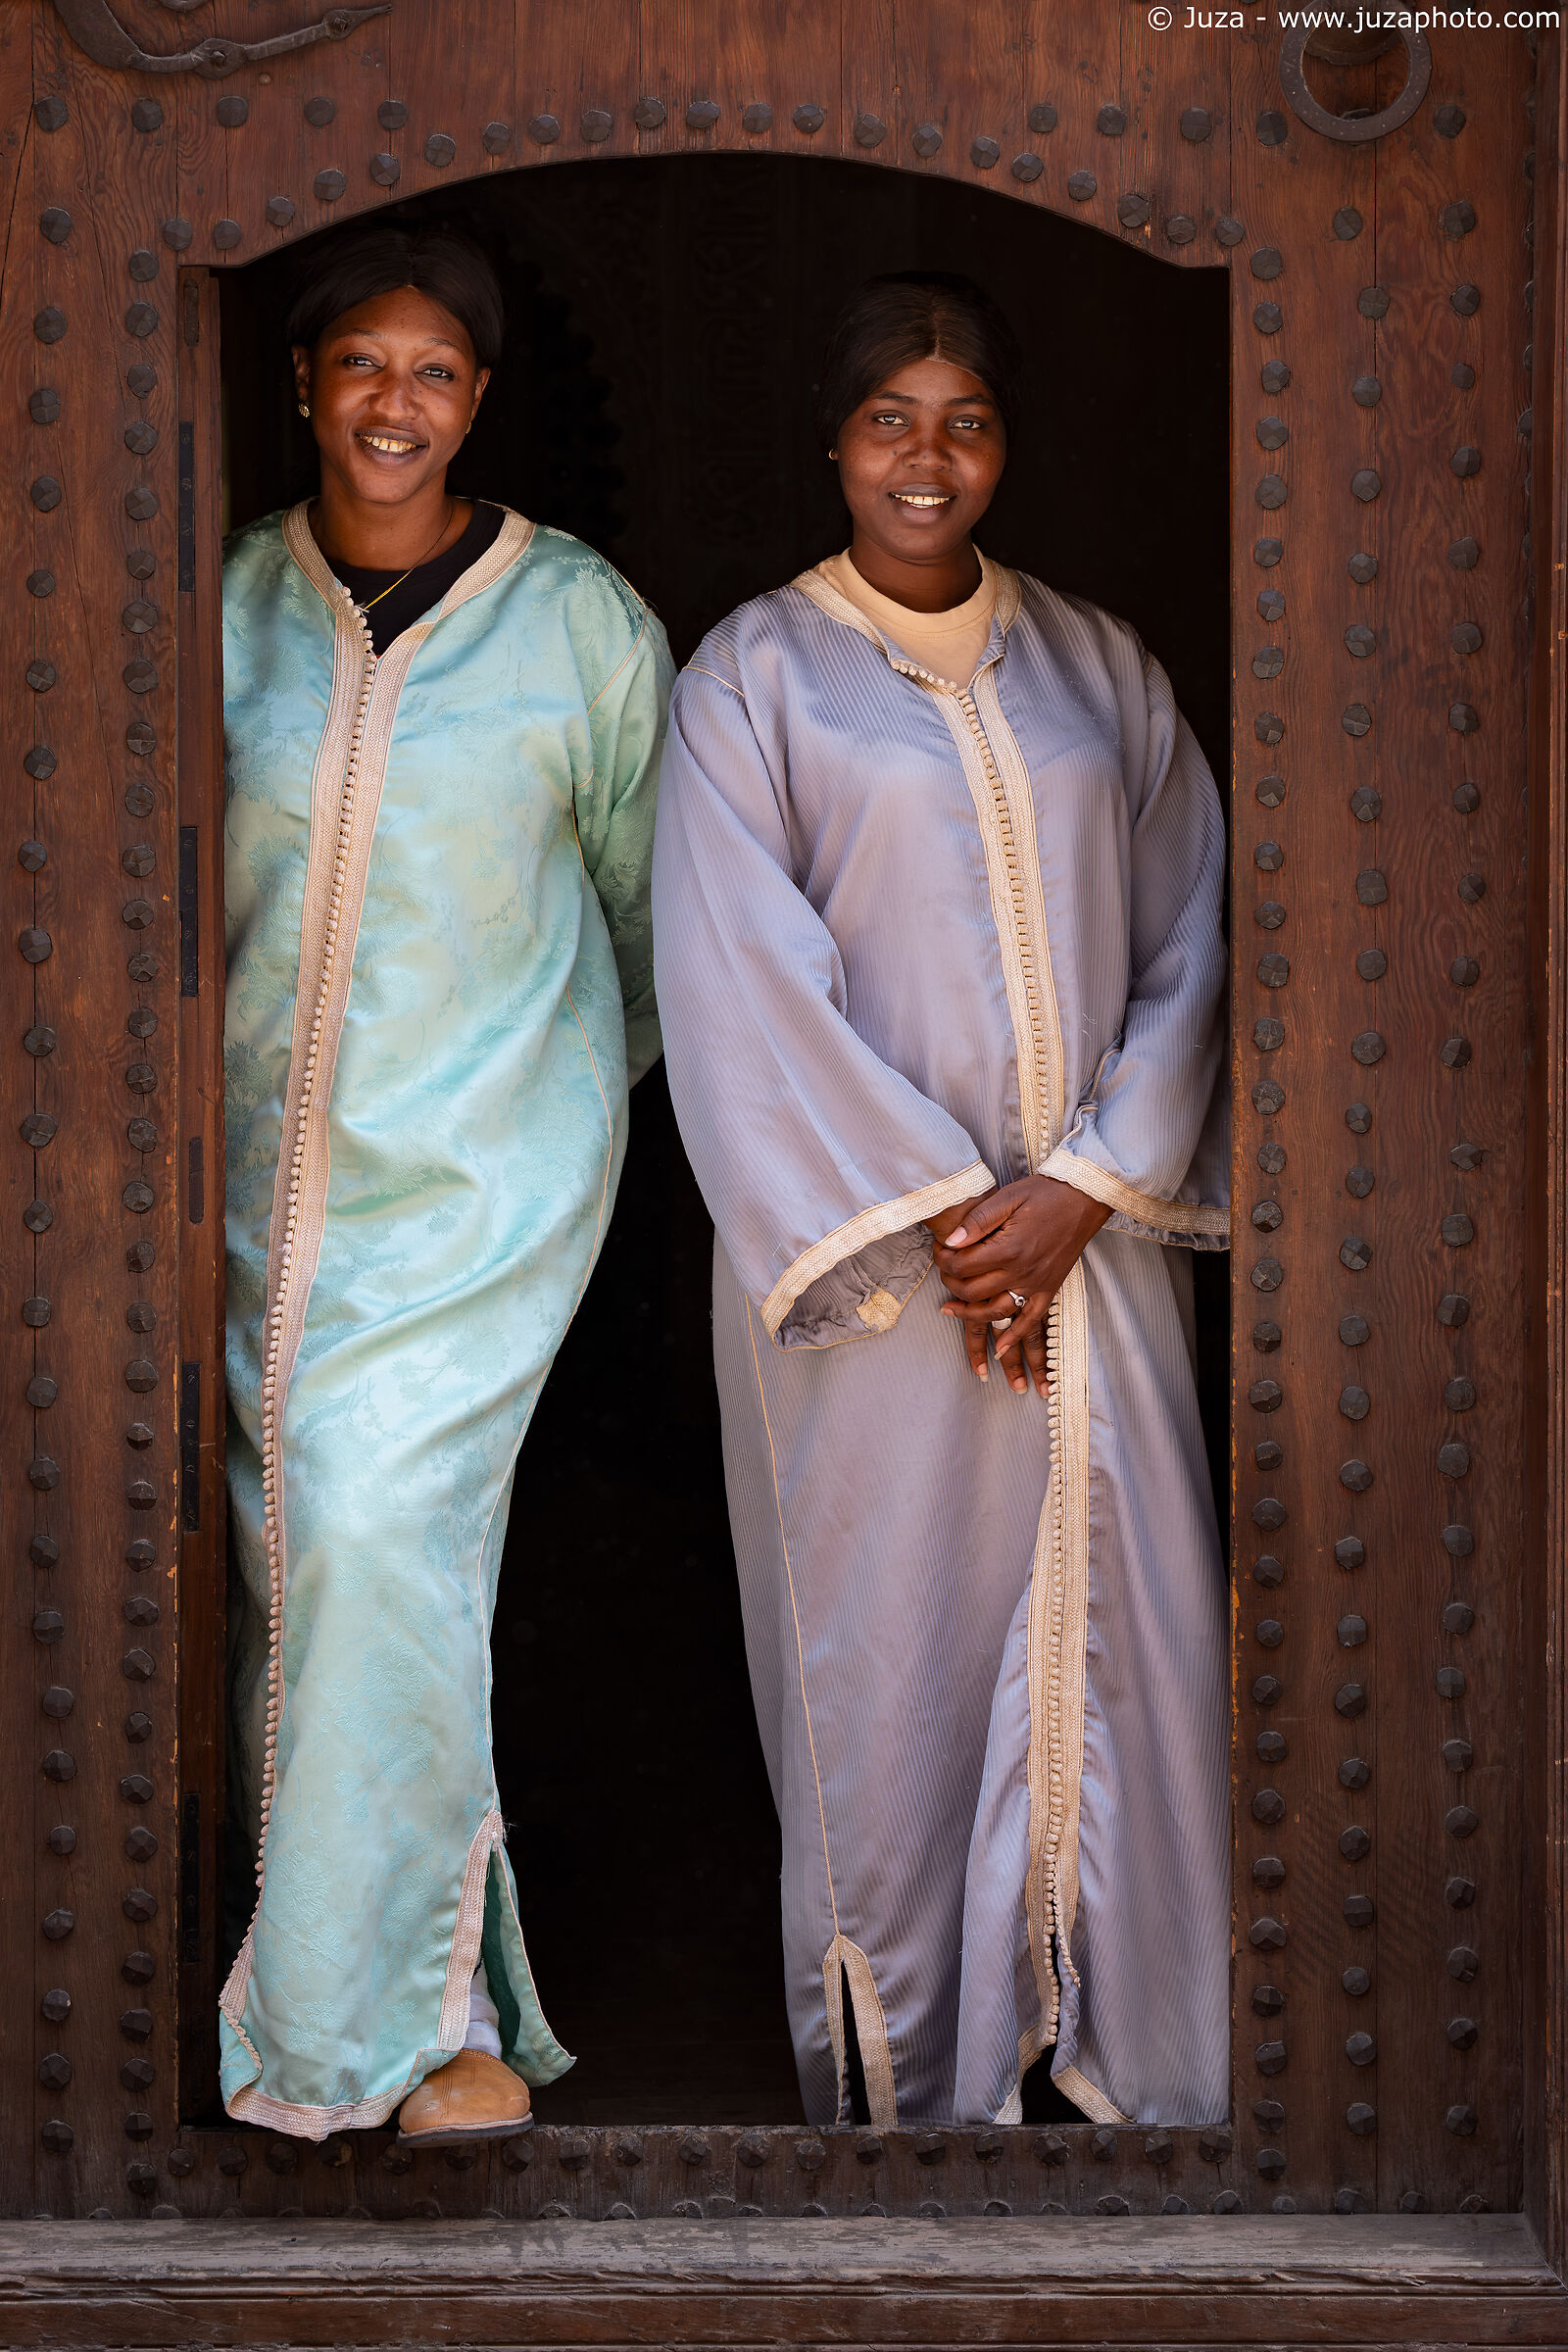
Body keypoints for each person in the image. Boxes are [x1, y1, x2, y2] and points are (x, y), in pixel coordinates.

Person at [652, 272, 1230, 2130]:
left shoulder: (1096, 668)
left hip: (1095, 1252)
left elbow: (1193, 942)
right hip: (880, 1292)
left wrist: (1081, 1185)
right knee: (888, 1667)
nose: (929, 456)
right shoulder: (752, 677)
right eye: (890, 418)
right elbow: (735, 976)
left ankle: (1135, 2067)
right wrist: (945, 1220)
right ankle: (918, 2087)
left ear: (1006, 445)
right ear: (833, 441)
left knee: (1122, 1652)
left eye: (965, 418)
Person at [220, 224, 671, 2142]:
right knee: (300, 1585)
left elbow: (660, 924)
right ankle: (427, 1991)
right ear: (303, 383)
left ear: (479, 399)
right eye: (360, 366)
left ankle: (369, 2049)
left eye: (435, 372)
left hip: (484, 1186)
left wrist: (549, 1115)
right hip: (232, 1191)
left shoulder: (576, 623)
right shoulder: (222, 598)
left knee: (368, 1534)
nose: (393, 405)